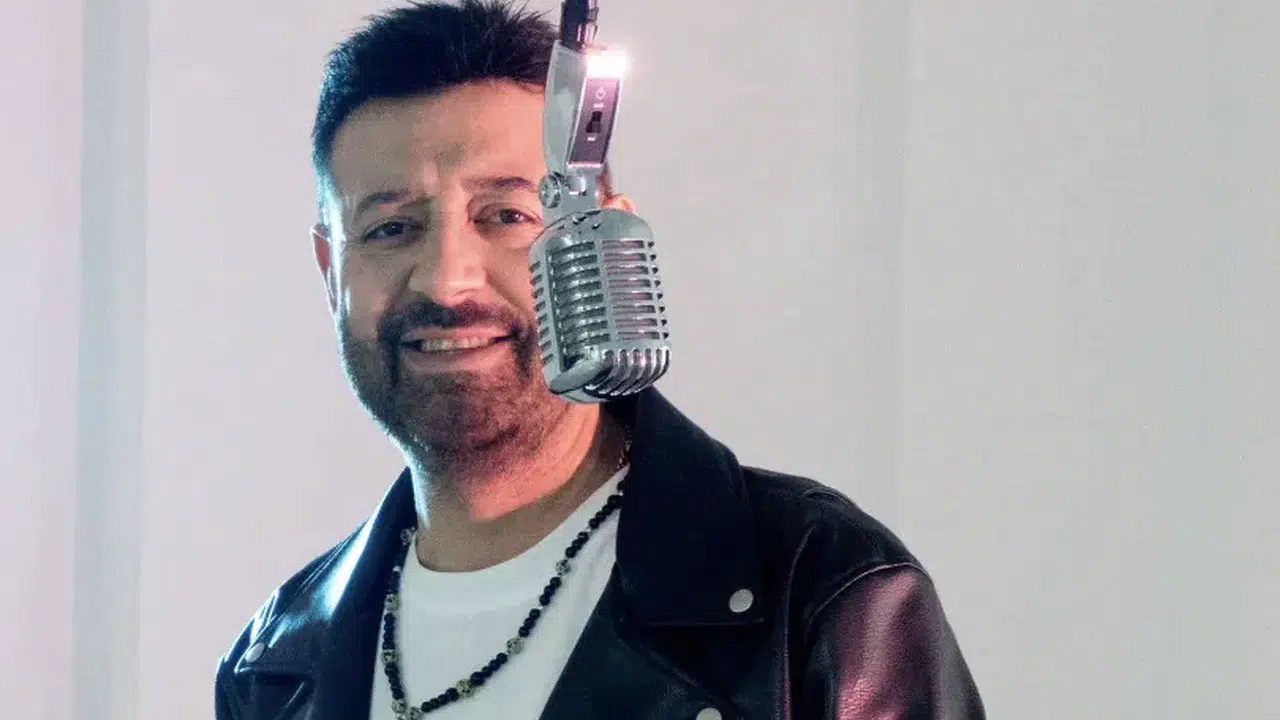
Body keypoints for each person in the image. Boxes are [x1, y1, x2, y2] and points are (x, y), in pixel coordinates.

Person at [213, 1, 985, 717]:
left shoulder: (820, 591)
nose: (447, 280)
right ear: (331, 272)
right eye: (390, 229)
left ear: (607, 244)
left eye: (506, 215)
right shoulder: (274, 668)